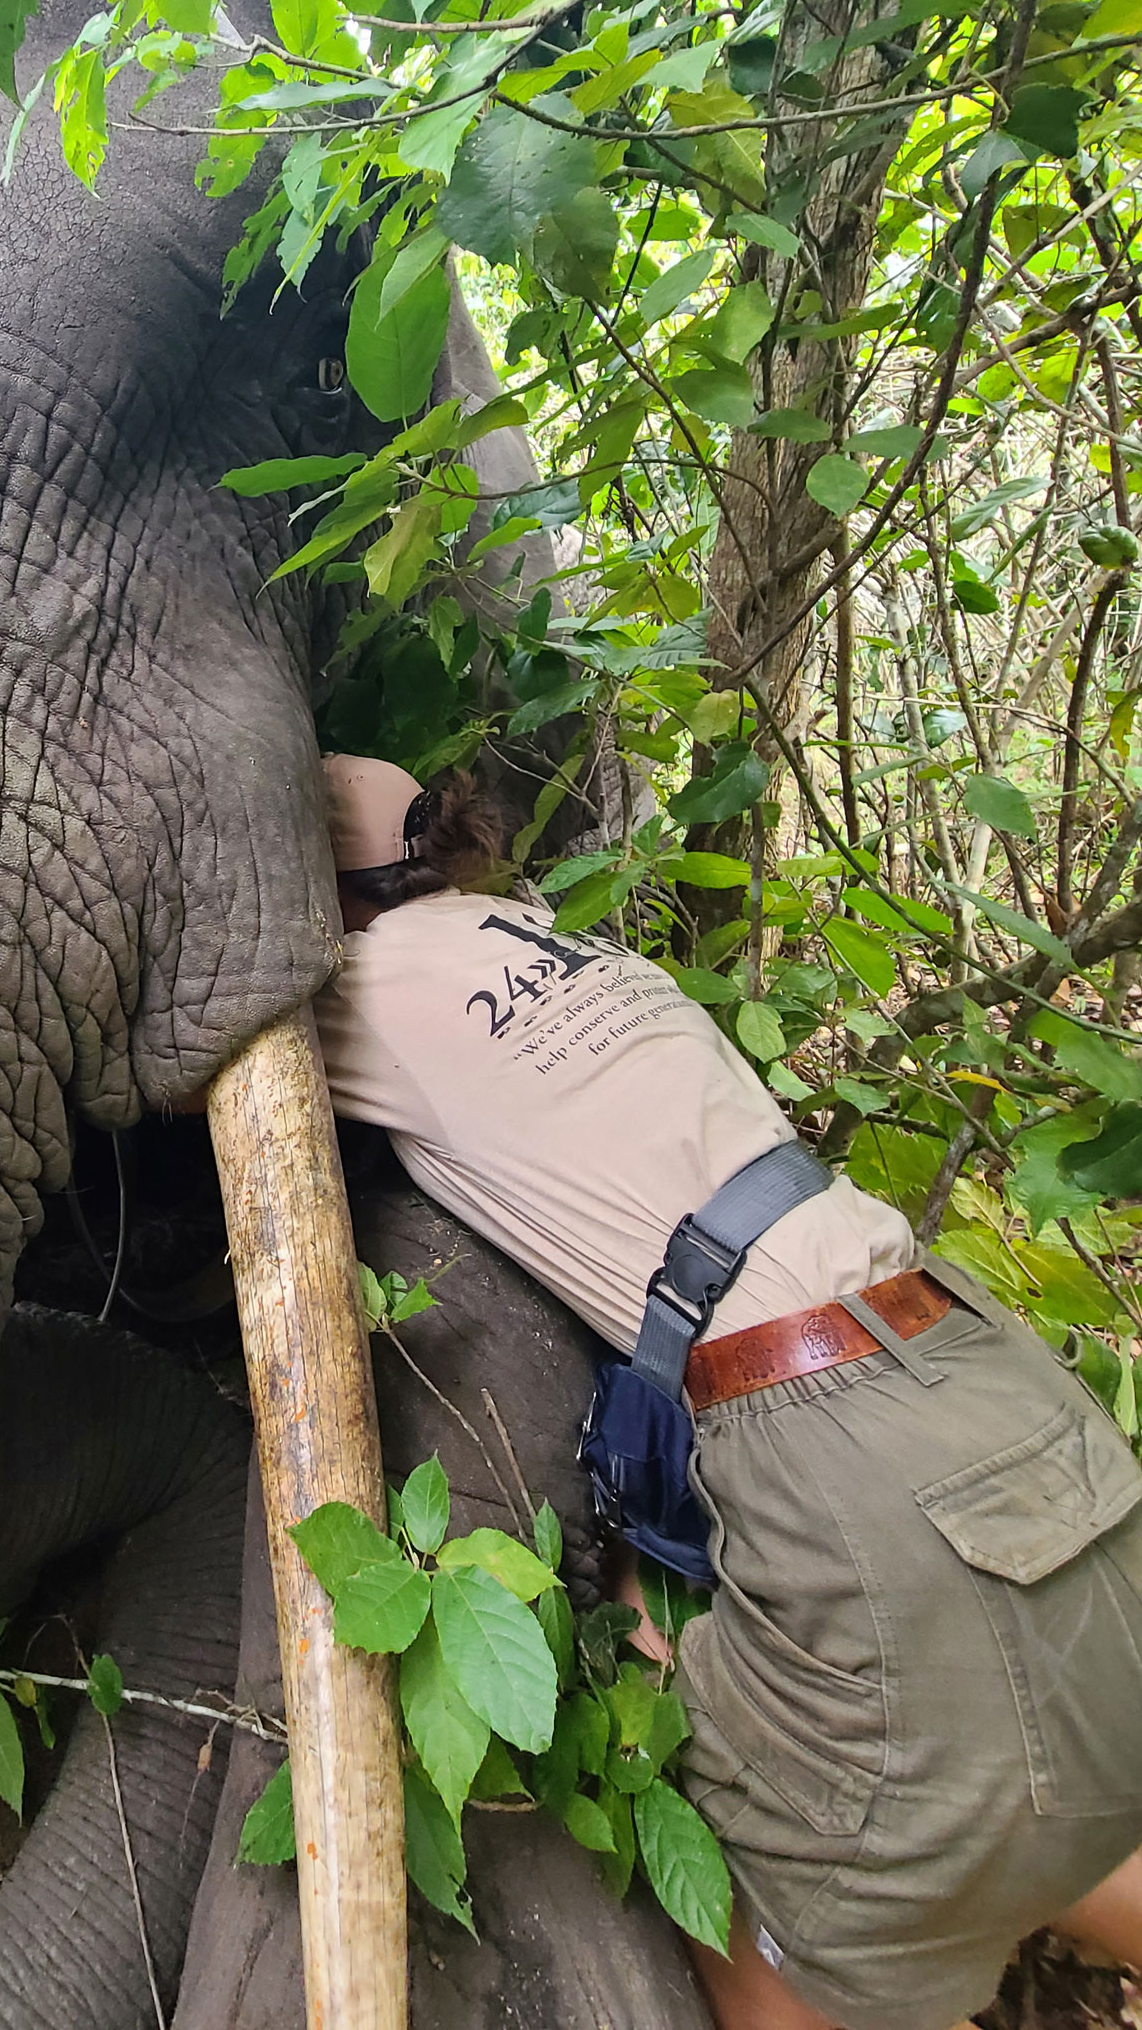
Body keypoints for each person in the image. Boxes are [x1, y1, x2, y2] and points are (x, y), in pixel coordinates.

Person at [313, 752, 1142, 2030]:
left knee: (770, 1951)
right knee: (1065, 1764)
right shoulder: (568, 942)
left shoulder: (371, 985)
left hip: (837, 1454)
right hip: (990, 1371)